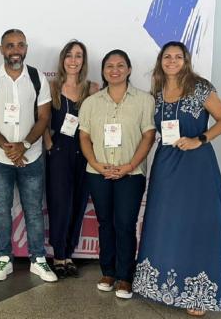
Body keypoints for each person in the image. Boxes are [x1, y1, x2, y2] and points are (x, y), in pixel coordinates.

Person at [132, 41, 221, 316]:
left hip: (196, 165)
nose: (172, 61)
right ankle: (161, 287)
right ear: (161, 61)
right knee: (164, 222)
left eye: (178, 57)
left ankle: (197, 294)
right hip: (165, 163)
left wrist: (201, 139)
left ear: (185, 60)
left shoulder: (200, 87)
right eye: (167, 57)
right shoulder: (158, 91)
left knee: (196, 225)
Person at [0, 29, 57, 282]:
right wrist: (8, 147)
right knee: (2, 210)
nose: (15, 50)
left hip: (31, 156)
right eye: (10, 45)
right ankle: (4, 259)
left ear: (26, 48)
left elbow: (44, 117)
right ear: (1, 49)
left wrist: (24, 144)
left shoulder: (37, 78)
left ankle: (38, 259)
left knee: (33, 211)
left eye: (20, 45)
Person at [78, 49, 155, 299]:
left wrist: (130, 165)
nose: (115, 70)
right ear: (103, 71)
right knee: (105, 224)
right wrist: (96, 164)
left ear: (129, 69)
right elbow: (85, 136)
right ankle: (108, 272)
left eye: (121, 65)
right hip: (98, 172)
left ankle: (125, 277)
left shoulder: (145, 100)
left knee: (125, 224)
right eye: (109, 66)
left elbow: (148, 135)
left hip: (130, 174)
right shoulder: (91, 103)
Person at [43, 40, 99, 278]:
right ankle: (58, 254)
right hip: (59, 153)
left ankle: (69, 255)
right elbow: (42, 119)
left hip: (85, 152)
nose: (73, 60)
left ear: (83, 61)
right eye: (69, 55)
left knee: (78, 204)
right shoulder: (51, 87)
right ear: (62, 59)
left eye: (78, 56)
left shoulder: (92, 89)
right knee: (60, 205)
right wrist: (49, 144)